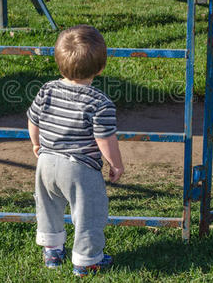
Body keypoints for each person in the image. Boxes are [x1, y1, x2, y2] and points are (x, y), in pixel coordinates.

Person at [27, 24, 124, 277]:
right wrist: (115, 164)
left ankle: (52, 250)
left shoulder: (46, 90)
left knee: (48, 206)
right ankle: (86, 260)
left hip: (46, 162)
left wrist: (36, 144)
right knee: (88, 213)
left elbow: (33, 120)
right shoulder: (100, 102)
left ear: (59, 63)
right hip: (80, 168)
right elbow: (105, 138)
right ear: (101, 68)